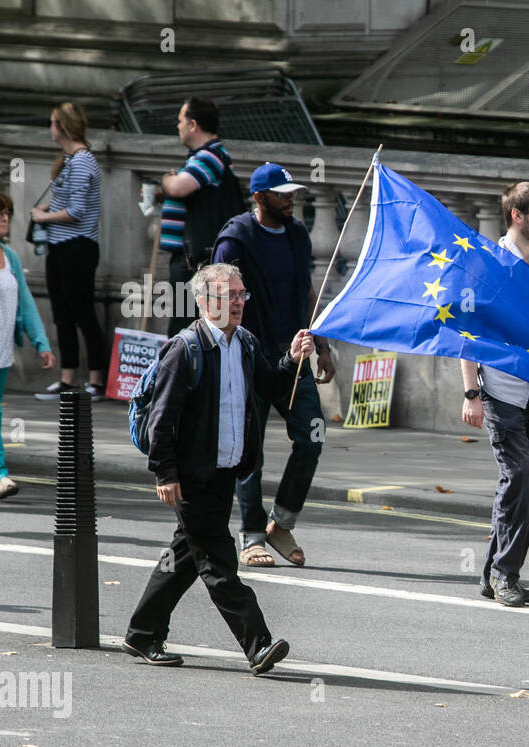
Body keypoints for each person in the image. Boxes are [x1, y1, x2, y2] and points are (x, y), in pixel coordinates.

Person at [123, 263, 312, 673]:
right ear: (204, 301)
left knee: (185, 555)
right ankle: (258, 643)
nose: (240, 302)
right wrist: (165, 472)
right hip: (191, 475)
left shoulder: (244, 343)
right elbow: (163, 417)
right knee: (217, 561)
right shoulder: (185, 348)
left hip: (225, 468)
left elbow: (270, 387)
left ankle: (141, 634)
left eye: (243, 294)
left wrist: (290, 360)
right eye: (230, 296)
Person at [212, 163, 335, 568]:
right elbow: (218, 302)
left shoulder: (298, 233)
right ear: (259, 197)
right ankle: (250, 536)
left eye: (292, 192)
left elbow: (307, 290)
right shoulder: (235, 239)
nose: (290, 198)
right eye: (281, 193)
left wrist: (323, 344)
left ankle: (280, 524)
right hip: (249, 358)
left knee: (312, 436)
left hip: (294, 354)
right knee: (250, 450)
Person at [461, 182, 529, 607]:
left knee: (527, 486)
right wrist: (470, 392)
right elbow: (468, 332)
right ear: (517, 216)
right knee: (518, 477)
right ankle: (505, 575)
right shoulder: (486, 264)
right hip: (500, 389)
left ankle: (495, 572)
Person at [0, 189, 56, 499]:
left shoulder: (11, 257)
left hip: (2, 346)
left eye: (6, 212)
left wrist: (41, 341)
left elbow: (27, 303)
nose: (5, 217)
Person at [31, 102, 105, 402]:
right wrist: (46, 209)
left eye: (52, 122)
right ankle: (68, 378)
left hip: (77, 247)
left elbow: (75, 212)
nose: (49, 128)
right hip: (59, 246)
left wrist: (42, 217)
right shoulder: (69, 160)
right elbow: (67, 200)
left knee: (83, 313)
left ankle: (96, 381)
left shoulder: (83, 161)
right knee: (62, 315)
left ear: (62, 126)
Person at [159, 96, 243, 336]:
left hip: (193, 261)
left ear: (193, 125)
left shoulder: (210, 156)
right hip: (190, 258)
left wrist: (166, 180)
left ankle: (182, 372)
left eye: (180, 120)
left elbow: (177, 188)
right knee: (185, 323)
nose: (178, 126)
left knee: (185, 327)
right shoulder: (205, 156)